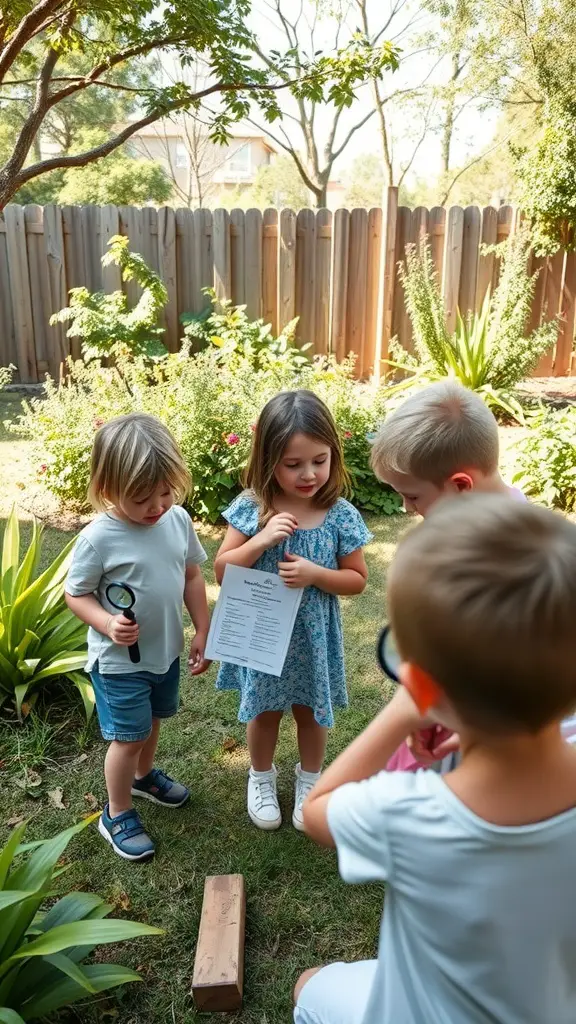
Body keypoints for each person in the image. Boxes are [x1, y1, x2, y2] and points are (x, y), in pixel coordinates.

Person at [296, 494, 576, 1024]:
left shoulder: (410, 811)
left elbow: (317, 809)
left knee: (310, 986)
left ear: (425, 685)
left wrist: (403, 713)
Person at [214, 390, 372, 832]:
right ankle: (260, 777)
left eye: (319, 461)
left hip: (312, 636)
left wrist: (316, 574)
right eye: (293, 464)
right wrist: (260, 540)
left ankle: (310, 780)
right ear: (268, 460)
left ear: (333, 455)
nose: (309, 474)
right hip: (263, 633)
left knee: (310, 709)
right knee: (264, 710)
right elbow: (222, 572)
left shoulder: (338, 514)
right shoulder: (252, 508)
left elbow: (357, 579)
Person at [65, 413, 210, 861]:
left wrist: (203, 627)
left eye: (165, 492)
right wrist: (106, 623)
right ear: (108, 489)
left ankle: (144, 777)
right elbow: (76, 594)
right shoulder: (98, 539)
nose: (157, 506)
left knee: (154, 721)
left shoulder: (177, 520)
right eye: (142, 498)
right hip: (119, 663)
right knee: (127, 737)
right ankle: (117, 812)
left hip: (163, 653)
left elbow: (190, 574)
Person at [370, 380, 525, 771]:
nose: (406, 508)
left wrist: (417, 707)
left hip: (475, 735)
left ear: (460, 485)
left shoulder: (484, 560)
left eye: (414, 496)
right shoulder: (531, 528)